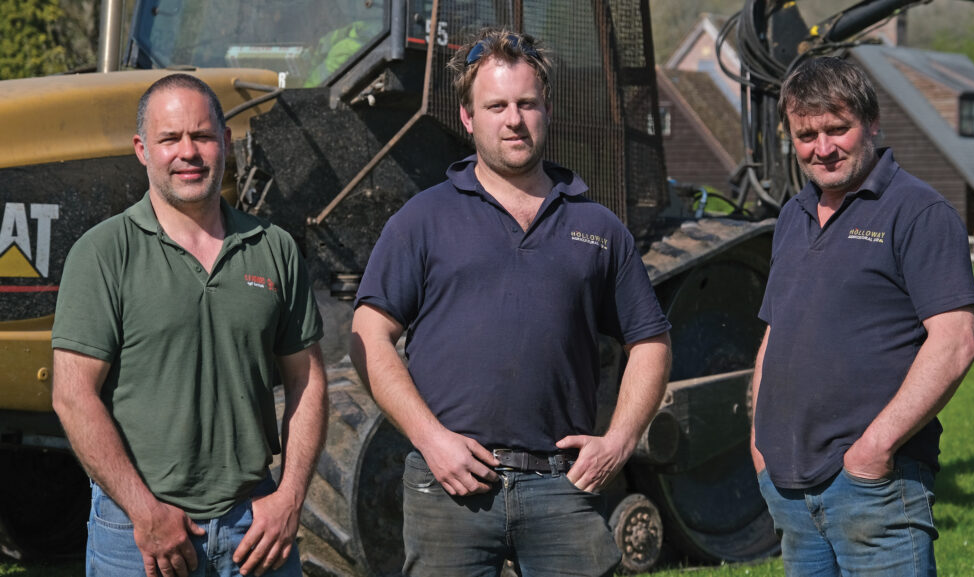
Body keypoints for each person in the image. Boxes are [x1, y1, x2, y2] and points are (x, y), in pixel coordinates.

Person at [349, 29, 672, 577]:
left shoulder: (597, 227)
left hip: (562, 486)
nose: (514, 120)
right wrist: (432, 440)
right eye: (496, 106)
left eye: (526, 103)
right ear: (468, 118)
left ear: (548, 110)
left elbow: (651, 342)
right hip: (451, 486)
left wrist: (620, 441)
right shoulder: (423, 220)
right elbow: (368, 334)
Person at [51, 73, 327, 577]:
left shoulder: (274, 247)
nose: (188, 152)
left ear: (226, 142)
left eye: (201, 136)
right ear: (142, 150)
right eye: (169, 139)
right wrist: (144, 512)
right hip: (137, 533)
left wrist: (290, 498)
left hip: (254, 528)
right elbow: (72, 396)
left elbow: (306, 380)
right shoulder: (103, 252)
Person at [750, 56, 974, 577]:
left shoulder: (918, 212)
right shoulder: (791, 216)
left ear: (872, 122)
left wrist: (873, 451)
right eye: (806, 135)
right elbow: (774, 334)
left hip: (875, 486)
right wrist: (760, 445)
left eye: (838, 129)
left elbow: (956, 342)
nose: (822, 148)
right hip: (788, 487)